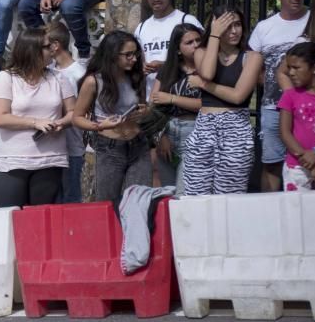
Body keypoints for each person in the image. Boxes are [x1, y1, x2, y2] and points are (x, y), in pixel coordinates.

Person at [0, 28, 77, 208]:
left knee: (41, 220)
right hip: (13, 161)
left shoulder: (59, 78)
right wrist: (36, 123)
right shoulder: (5, 78)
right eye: (47, 46)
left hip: (50, 160)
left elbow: (73, 113)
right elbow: (0, 118)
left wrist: (60, 123)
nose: (53, 50)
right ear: (32, 50)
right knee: (11, 219)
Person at [183, 6, 263, 195]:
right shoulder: (201, 52)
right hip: (204, 127)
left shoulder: (252, 57)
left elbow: (237, 96)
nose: (234, 31)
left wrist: (203, 85)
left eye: (237, 25)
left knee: (229, 198)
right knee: (195, 195)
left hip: (235, 128)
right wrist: (214, 36)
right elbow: (208, 73)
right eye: (227, 26)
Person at [72, 30, 150, 204]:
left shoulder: (136, 77)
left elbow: (143, 106)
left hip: (138, 143)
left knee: (139, 201)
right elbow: (77, 117)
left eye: (135, 54)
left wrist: (144, 112)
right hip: (109, 147)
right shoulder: (94, 81)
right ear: (113, 54)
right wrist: (100, 126)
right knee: (108, 203)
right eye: (128, 55)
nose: (134, 59)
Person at [250, 0, 309, 192]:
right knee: (272, 164)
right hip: (273, 108)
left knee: (309, 163)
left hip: (309, 108)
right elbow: (254, 69)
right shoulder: (265, 28)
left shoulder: (313, 21)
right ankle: (269, 217)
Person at [149, 23, 204, 193]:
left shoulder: (207, 70)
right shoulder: (168, 70)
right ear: (178, 49)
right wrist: (161, 136)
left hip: (195, 132)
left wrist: (172, 98)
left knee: (184, 193)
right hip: (168, 131)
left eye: (198, 40)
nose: (195, 45)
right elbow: (153, 105)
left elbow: (206, 105)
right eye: (189, 42)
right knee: (168, 193)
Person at [135, 0, 203, 99]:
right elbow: (138, 61)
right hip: (154, 98)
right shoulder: (141, 28)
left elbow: (204, 56)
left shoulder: (187, 20)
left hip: (184, 97)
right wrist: (142, 67)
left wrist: (165, 65)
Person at [277, 42, 315, 191]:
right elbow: (284, 133)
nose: (291, 73)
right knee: (296, 211)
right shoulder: (289, 96)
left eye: (296, 68)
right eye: (289, 68)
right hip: (297, 168)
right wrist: (311, 163)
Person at [47, 21, 88, 203]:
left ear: (55, 46)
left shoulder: (78, 74)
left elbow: (83, 112)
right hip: (50, 149)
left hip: (71, 148)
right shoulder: (49, 71)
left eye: (45, 44)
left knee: (70, 201)